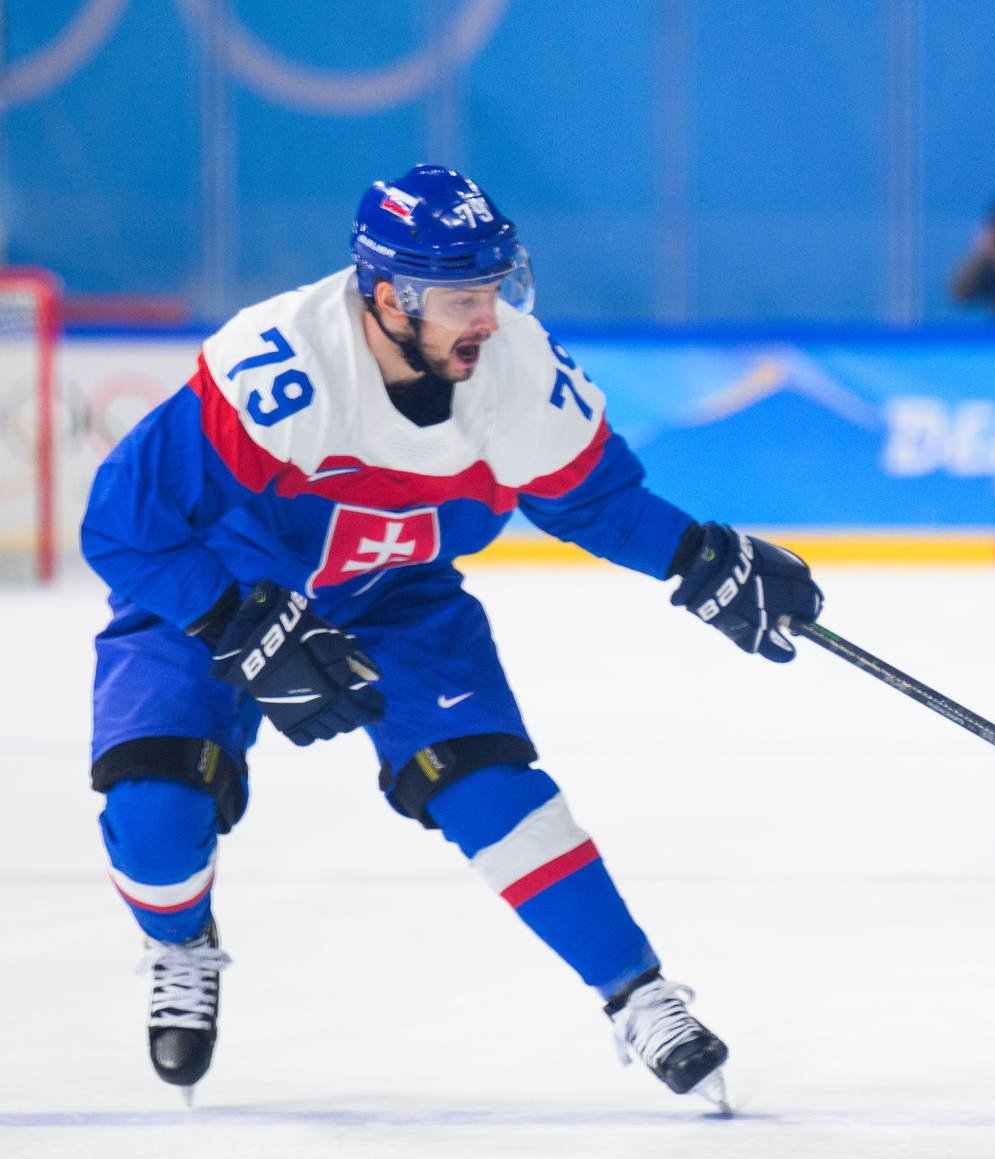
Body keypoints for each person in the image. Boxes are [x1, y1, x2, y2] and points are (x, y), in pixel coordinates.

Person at [80, 165, 824, 1109]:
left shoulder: (518, 372)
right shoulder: (284, 369)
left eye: (494, 285)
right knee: (154, 809)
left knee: (486, 784)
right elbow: (121, 520)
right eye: (458, 296)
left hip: (396, 594)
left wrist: (700, 557)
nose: (486, 315)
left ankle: (639, 995)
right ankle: (179, 944)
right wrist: (236, 621)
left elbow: (595, 503)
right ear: (387, 297)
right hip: (224, 581)